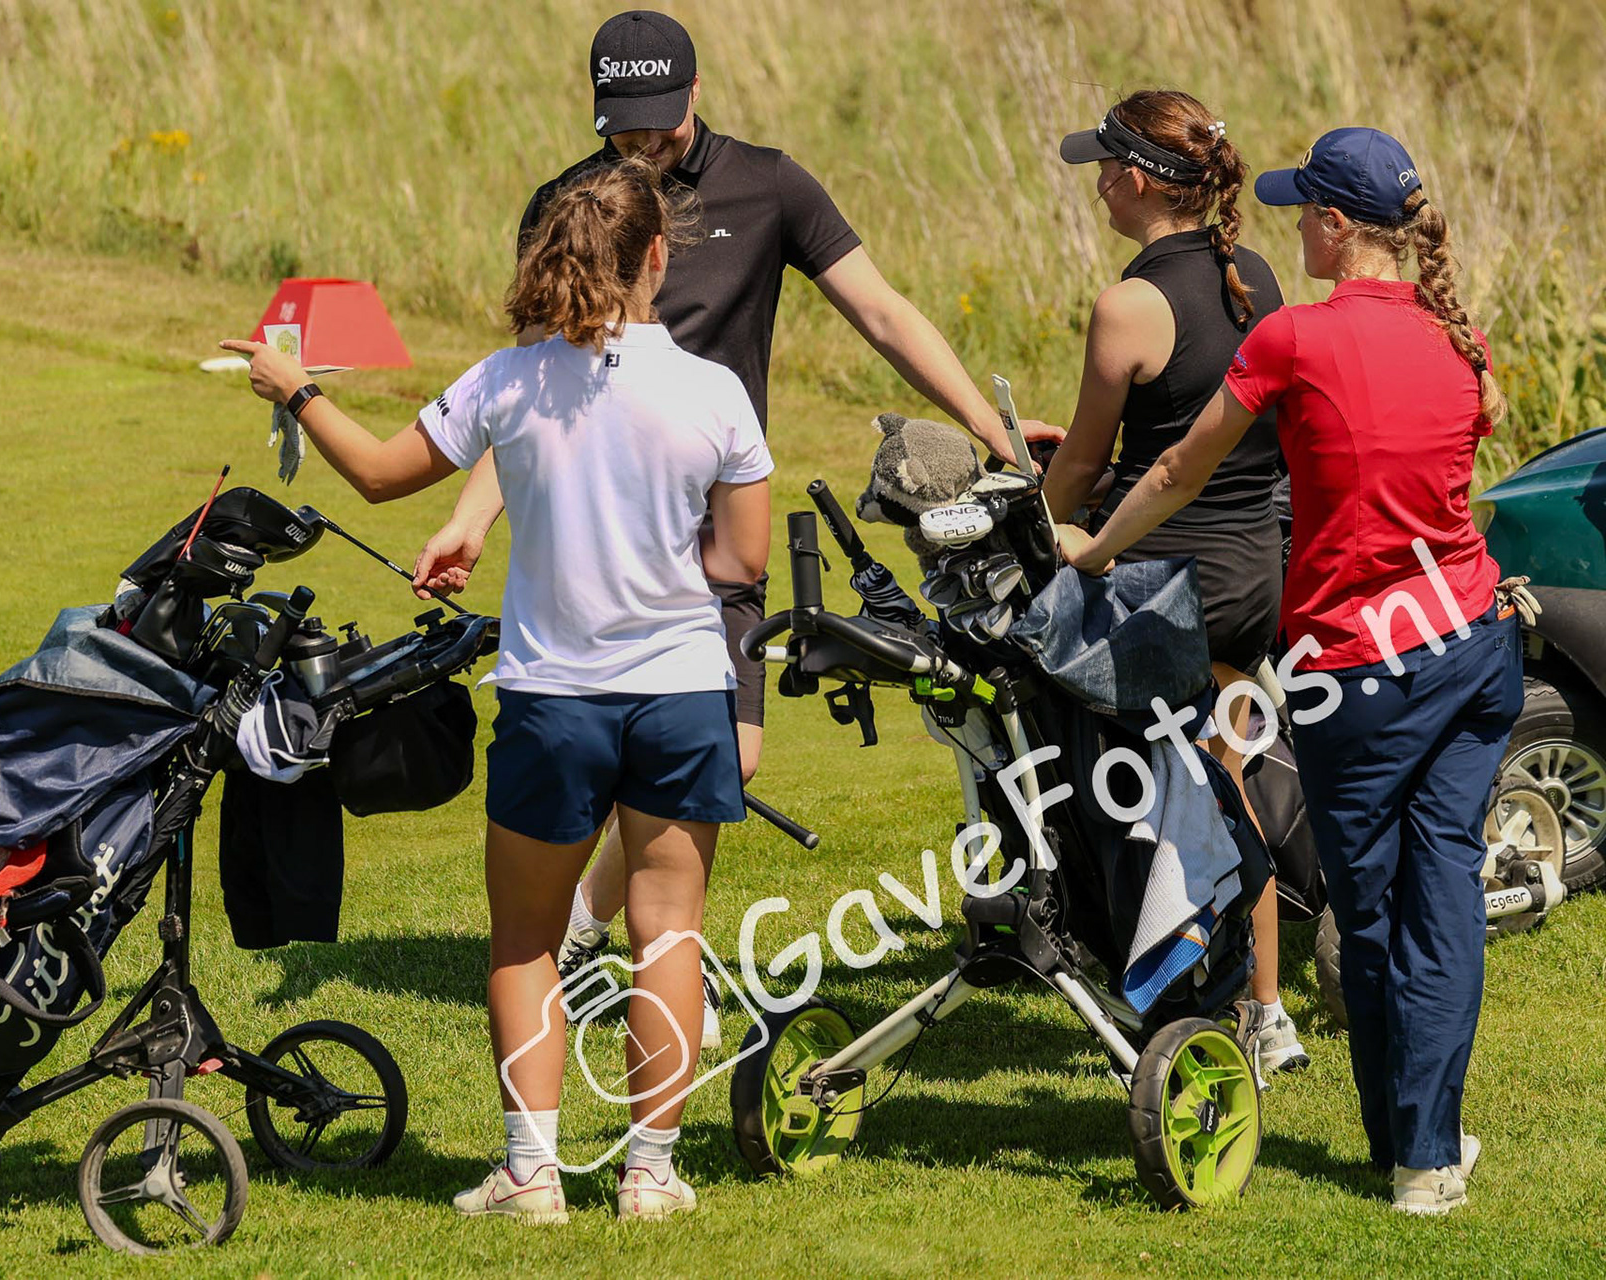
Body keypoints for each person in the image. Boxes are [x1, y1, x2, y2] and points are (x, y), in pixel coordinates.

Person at [412, 9, 1056, 1027]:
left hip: (717, 519)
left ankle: (589, 927)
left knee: (732, 756)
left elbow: (882, 310)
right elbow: (531, 387)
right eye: (623, 124)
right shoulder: (567, 204)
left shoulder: (769, 186)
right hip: (601, 527)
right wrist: (471, 515)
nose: (642, 143)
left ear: (696, 92)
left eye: (659, 120)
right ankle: (645, 951)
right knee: (665, 749)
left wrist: (993, 429)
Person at [222, 158, 771, 1222]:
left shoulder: (509, 381)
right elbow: (741, 560)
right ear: (658, 257)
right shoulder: (715, 393)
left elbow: (378, 472)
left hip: (554, 703)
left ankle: (530, 1174)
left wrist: (295, 388)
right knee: (667, 936)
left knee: (526, 942)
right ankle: (651, 1175)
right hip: (682, 695)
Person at [1059, 128, 1520, 1215]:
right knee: (1443, 894)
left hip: (1359, 669)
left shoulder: (1295, 338)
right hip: (1470, 641)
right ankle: (1420, 1145)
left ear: (1334, 225)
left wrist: (1094, 545)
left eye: (1303, 210)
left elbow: (1180, 466)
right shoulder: (1462, 340)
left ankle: (1415, 1149)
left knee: (1376, 909)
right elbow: (1470, 438)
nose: (1293, 227)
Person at [1046, 90, 1307, 1077]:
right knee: (1227, 785)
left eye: (1104, 169)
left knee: (1139, 797)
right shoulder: (1257, 274)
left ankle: (1167, 996)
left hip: (1166, 585)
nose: (1097, 186)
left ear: (1138, 180)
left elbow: (1084, 462)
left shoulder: (1129, 304)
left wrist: (1045, 521)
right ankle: (1266, 1009)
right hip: (1253, 570)